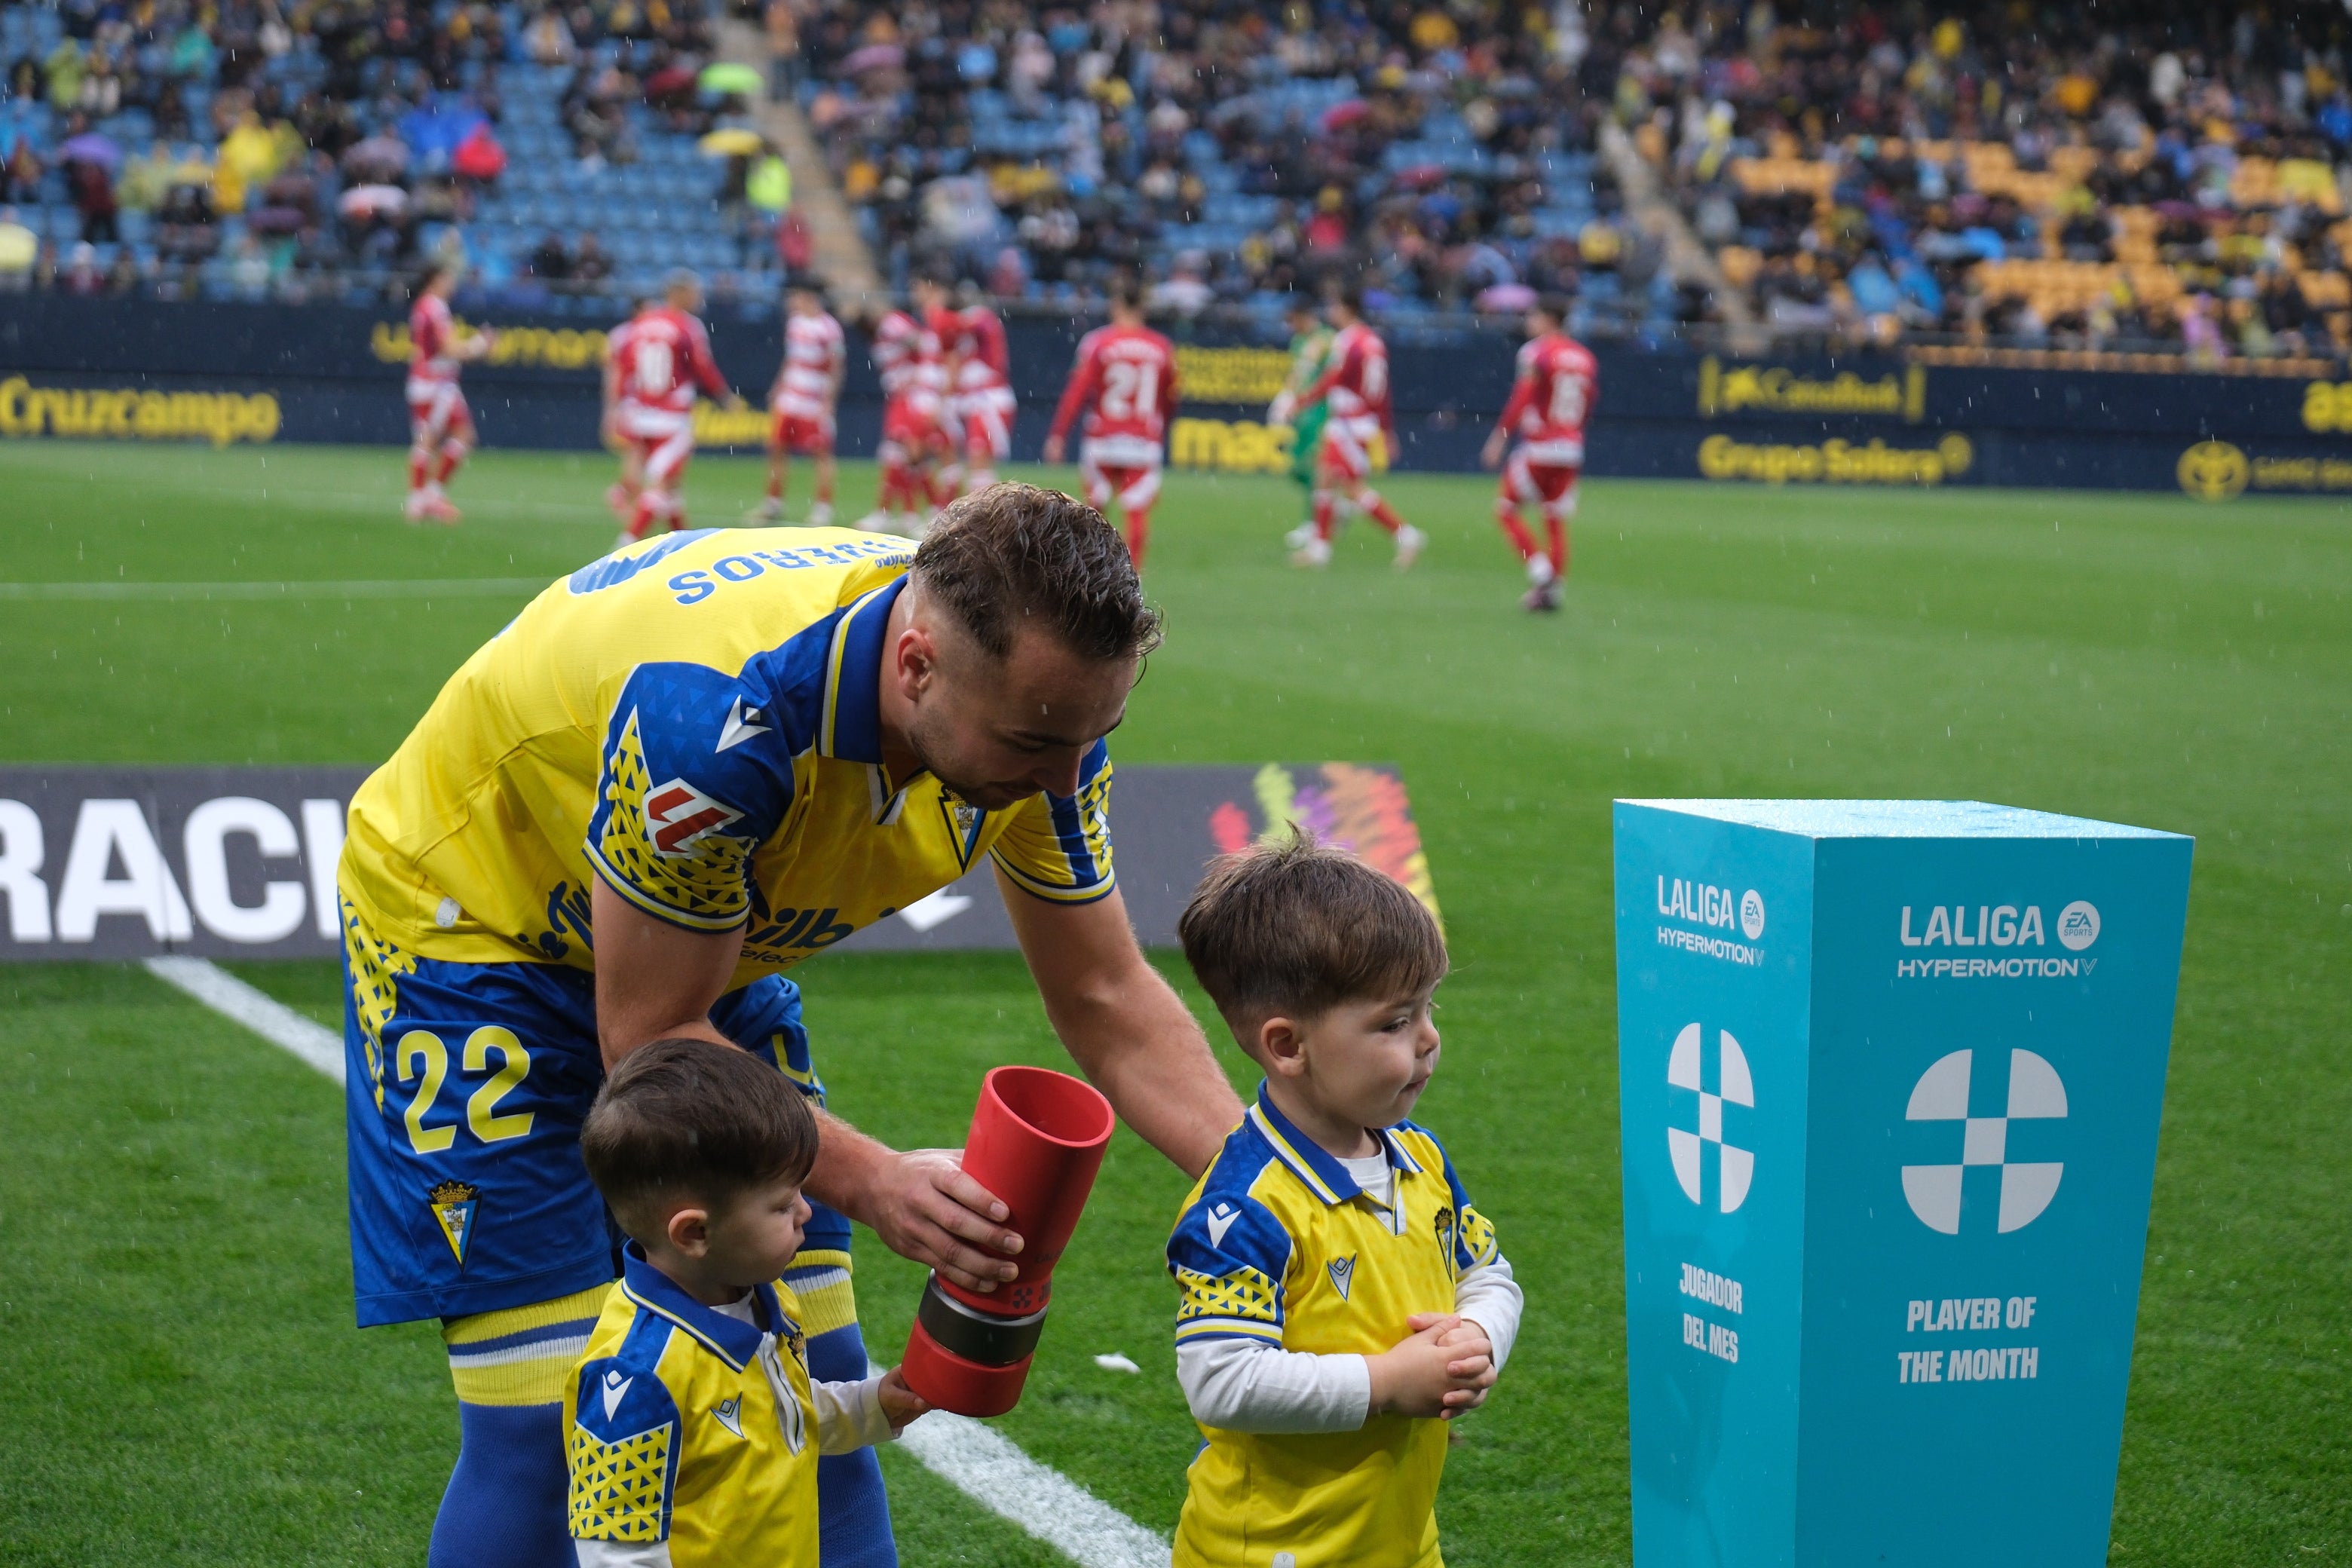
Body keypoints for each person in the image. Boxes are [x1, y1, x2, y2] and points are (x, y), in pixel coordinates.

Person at [336, 485, 1244, 1568]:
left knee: (805, 1383)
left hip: (698, 936)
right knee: (545, 1427)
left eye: (1096, 735)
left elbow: (1103, 994)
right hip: (477, 935)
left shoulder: (1044, 722)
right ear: (917, 668)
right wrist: (872, 1178)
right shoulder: (718, 717)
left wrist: (1277, 1185)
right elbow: (653, 1041)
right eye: (1034, 740)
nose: (1065, 777)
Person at [1166, 837, 1521, 1568]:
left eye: (1428, 1008)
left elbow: (1489, 1275)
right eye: (1394, 1022)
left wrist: (1477, 1338)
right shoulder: (1247, 1209)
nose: (1428, 1039)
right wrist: (1386, 1383)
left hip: (1404, 1547)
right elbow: (1222, 1380)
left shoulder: (1420, 1159)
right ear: (1287, 1046)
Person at [568, 1038, 929, 1567]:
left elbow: (777, 1420)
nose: (807, 1213)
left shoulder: (765, 1297)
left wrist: (872, 1407)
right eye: (782, 1205)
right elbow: (614, 1549)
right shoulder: (636, 1375)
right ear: (694, 1233)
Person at [603, 270, 744, 549]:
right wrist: (725, 397)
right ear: (679, 293)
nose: (699, 298)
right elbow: (702, 366)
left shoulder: (642, 323)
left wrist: (619, 407)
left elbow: (624, 368)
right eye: (694, 292)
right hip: (671, 417)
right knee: (661, 486)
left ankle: (683, 544)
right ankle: (625, 544)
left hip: (641, 413)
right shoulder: (688, 326)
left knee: (671, 487)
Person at [1043, 280, 1177, 569]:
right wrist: (1161, 429)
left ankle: (1093, 577)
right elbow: (1170, 397)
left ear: (1116, 306)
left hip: (1103, 437)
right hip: (1142, 439)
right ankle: (1133, 582)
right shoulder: (1162, 347)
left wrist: (1059, 434)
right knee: (1136, 512)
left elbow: (1077, 392)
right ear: (1143, 308)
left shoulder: (1098, 343)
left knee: (1094, 513)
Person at [1291, 287, 1425, 571]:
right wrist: (1386, 430)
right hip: (1359, 421)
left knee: (1352, 489)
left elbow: (1333, 378)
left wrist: (1303, 401)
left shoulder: (1346, 341)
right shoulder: (1373, 342)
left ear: (1346, 309)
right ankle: (1320, 548)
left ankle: (1406, 535)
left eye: (1334, 306)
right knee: (1325, 477)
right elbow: (1383, 392)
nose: (1330, 311)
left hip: (1349, 423)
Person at [1480, 294, 1592, 614]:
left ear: (1548, 319)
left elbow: (1522, 396)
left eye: (1533, 316)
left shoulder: (1536, 352)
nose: (1529, 322)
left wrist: (1500, 437)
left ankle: (1541, 573)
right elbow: (1587, 402)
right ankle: (1552, 593)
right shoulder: (1584, 357)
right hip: (1571, 447)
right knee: (1554, 519)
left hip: (1541, 445)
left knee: (1506, 509)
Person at [857, 293, 954, 537]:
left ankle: (904, 513)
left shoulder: (893, 323)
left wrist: (921, 379)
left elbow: (922, 344)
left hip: (912, 396)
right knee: (905, 455)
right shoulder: (881, 329)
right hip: (903, 396)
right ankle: (914, 512)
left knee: (910, 453)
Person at [406, 261, 493, 525]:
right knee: (451, 437)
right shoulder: (435, 307)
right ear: (436, 280)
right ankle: (426, 498)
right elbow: (449, 348)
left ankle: (422, 499)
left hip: (426, 381)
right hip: (436, 384)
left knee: (430, 440)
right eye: (448, 278)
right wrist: (480, 344)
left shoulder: (422, 306)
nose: (452, 284)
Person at [754, 284, 844, 526]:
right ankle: (773, 502)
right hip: (790, 398)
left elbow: (836, 367)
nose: (790, 302)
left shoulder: (829, 328)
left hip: (814, 401)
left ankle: (823, 508)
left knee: (821, 454)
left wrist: (829, 401)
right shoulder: (794, 323)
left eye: (793, 296)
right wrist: (778, 386)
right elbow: (791, 359)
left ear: (807, 297)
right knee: (777, 448)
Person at [1267, 294, 1335, 553]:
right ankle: (1332, 508)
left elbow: (1332, 377)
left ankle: (1314, 523)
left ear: (1304, 316)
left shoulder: (1327, 340)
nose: (1291, 325)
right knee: (1298, 468)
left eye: (1293, 320)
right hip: (1303, 412)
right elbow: (1297, 374)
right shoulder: (1298, 342)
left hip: (1323, 412)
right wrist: (1286, 398)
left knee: (1314, 467)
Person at [945, 280, 1017, 495]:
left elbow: (964, 324)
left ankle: (988, 510)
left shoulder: (981, 318)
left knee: (979, 462)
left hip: (989, 399)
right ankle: (988, 510)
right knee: (977, 463)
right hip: (979, 399)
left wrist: (936, 313)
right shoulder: (966, 334)